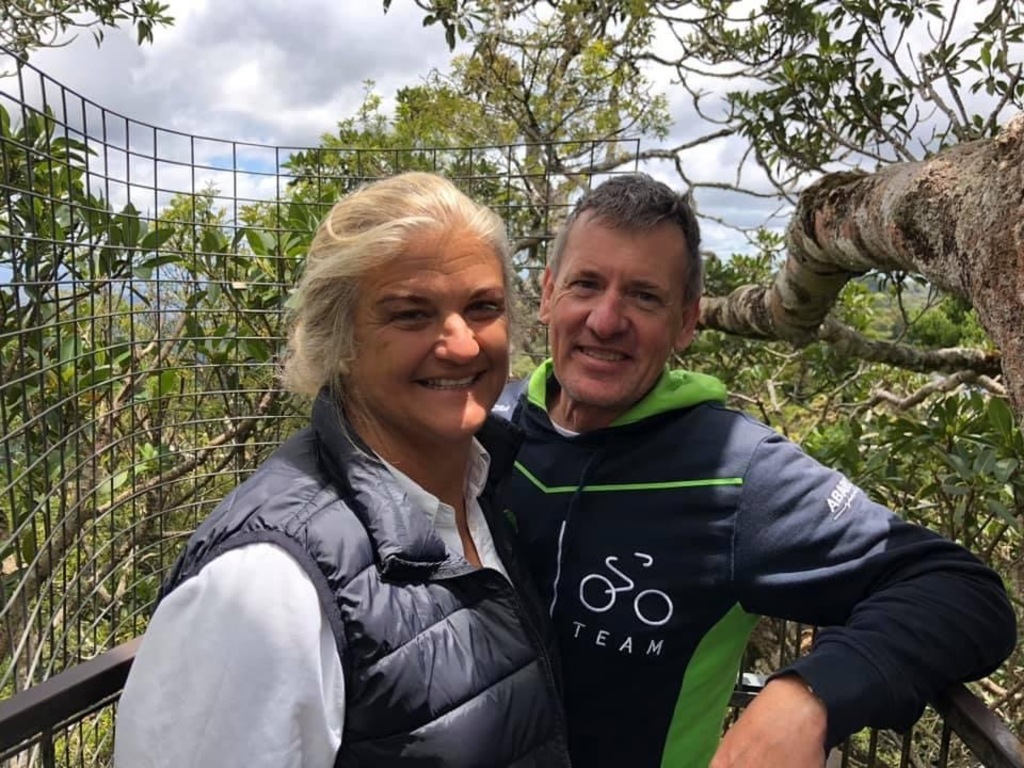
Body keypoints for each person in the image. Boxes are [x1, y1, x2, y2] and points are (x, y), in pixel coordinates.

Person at [495, 173, 1017, 768]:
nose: (607, 320)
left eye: (644, 296)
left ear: (686, 323)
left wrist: (810, 696)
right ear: (546, 295)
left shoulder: (735, 474)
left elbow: (961, 592)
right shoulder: (490, 425)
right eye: (586, 284)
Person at [114, 172, 571, 768]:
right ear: (340, 339)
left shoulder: (483, 493)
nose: (462, 346)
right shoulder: (264, 589)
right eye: (411, 315)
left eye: (482, 307)